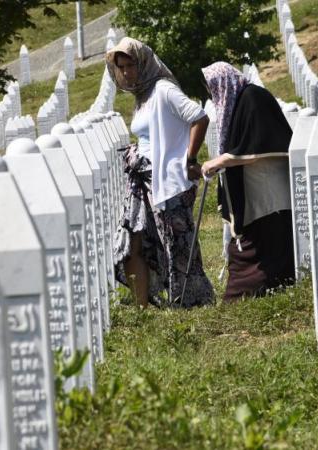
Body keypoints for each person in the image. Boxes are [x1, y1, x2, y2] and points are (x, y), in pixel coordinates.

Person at [106, 37, 214, 308]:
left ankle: (191, 302)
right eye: (122, 67)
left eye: (131, 65)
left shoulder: (163, 89)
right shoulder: (143, 95)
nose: (127, 72)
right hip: (141, 180)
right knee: (133, 241)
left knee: (177, 245)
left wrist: (189, 158)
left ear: (143, 62)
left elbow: (199, 117)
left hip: (166, 181)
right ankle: (142, 308)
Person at [200, 62, 295, 300]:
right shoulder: (238, 101)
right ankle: (246, 291)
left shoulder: (253, 98)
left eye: (213, 88)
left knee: (268, 241)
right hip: (253, 187)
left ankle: (259, 289)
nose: (213, 95)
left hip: (268, 190)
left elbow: (259, 142)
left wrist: (220, 160)